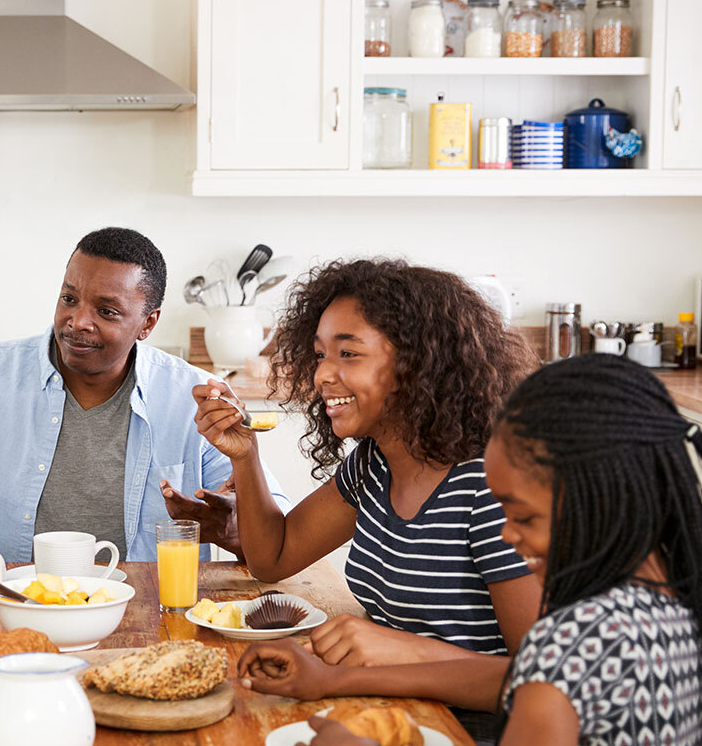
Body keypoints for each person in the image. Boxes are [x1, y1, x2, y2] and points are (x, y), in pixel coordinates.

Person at [236, 355, 702, 746]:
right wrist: (334, 682)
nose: (507, 534)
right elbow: (522, 680)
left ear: (604, 496)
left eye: (522, 515)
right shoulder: (667, 609)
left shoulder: (577, 632)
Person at [193, 260, 541, 668]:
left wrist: (398, 653)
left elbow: (542, 678)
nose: (322, 373)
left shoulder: (491, 486)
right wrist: (245, 455)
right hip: (389, 704)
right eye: (320, 354)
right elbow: (273, 559)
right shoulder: (373, 466)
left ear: (418, 363)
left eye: (348, 353)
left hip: (476, 731)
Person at [0, 226, 288, 564]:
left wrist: (231, 528)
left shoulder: (192, 395)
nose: (77, 321)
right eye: (69, 299)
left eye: (107, 311)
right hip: (5, 607)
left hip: (147, 615)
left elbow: (275, 536)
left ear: (147, 324)